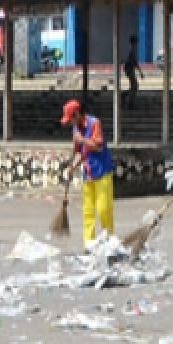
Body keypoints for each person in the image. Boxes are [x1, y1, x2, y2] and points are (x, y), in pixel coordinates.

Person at [62, 99, 115, 247]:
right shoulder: (76, 129)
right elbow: (80, 152)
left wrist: (82, 139)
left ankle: (109, 242)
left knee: (104, 210)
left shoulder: (94, 123)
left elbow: (98, 147)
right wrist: (73, 166)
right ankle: (89, 245)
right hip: (88, 173)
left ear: (78, 114)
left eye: (71, 119)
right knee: (88, 212)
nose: (71, 123)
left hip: (102, 171)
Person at [123, 35, 144, 108]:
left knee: (134, 86)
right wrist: (140, 72)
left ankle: (125, 96)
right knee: (134, 86)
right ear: (134, 43)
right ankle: (129, 102)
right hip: (129, 69)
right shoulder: (132, 50)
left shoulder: (132, 50)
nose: (137, 44)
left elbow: (134, 62)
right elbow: (134, 62)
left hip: (129, 69)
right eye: (136, 42)